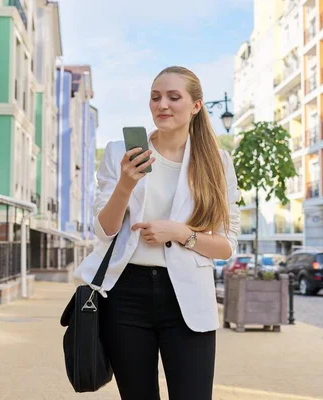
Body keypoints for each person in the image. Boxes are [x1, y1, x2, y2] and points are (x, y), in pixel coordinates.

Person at [73, 66, 240, 400]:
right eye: (155, 97)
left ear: (196, 106)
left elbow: (226, 246)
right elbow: (105, 230)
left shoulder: (217, 162)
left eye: (173, 97)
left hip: (188, 297)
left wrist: (180, 233)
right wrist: (126, 182)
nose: (162, 104)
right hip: (126, 295)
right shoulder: (122, 151)